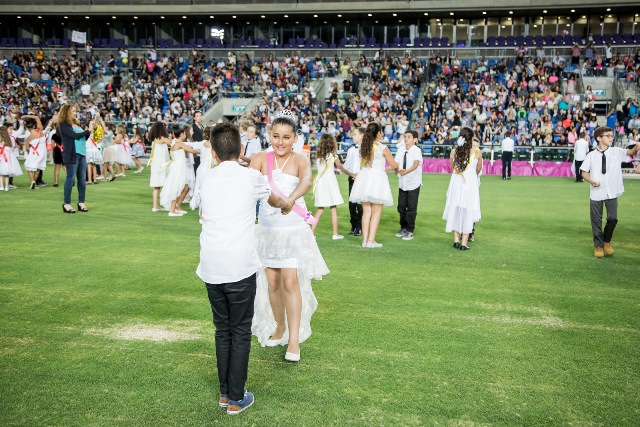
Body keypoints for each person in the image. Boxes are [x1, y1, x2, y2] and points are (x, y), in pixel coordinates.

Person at [196, 122, 286, 416]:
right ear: (241, 149)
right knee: (240, 331)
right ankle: (236, 397)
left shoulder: (206, 178)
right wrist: (287, 204)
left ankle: (226, 393)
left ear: (213, 151)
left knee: (222, 330)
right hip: (239, 265)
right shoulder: (252, 178)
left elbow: (202, 212)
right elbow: (275, 200)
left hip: (211, 263)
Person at [249, 110, 329, 362]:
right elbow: (249, 187)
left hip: (292, 229)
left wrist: (291, 199)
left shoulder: (301, 160)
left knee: (290, 282)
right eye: (275, 136)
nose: (280, 142)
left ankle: (293, 340)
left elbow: (306, 180)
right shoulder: (260, 158)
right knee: (272, 283)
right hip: (268, 231)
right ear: (269, 135)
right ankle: (279, 326)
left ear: (295, 138)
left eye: (285, 137)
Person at [580, 127, 640, 258]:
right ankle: (598, 246)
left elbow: (631, 151)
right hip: (596, 192)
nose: (611, 138)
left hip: (612, 192)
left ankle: (606, 242)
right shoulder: (591, 155)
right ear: (599, 138)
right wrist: (592, 181)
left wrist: (637, 146)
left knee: (612, 218)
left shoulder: (616, 151)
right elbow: (584, 172)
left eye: (611, 135)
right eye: (608, 136)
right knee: (596, 221)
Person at [349, 122, 399, 248]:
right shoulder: (382, 148)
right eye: (381, 131)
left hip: (365, 177)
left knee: (366, 211)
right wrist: (391, 170)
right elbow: (394, 164)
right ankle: (371, 240)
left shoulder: (363, 146)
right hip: (377, 178)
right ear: (378, 133)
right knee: (376, 211)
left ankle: (365, 240)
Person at [442, 127, 482, 250]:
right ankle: (464, 242)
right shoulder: (477, 152)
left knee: (456, 208)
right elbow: (479, 169)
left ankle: (455, 240)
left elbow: (452, 167)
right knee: (468, 210)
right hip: (469, 182)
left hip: (457, 181)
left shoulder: (454, 151)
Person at [311, 134, 353, 239]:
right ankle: (335, 234)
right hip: (329, 183)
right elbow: (341, 168)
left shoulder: (319, 155)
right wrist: (352, 174)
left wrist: (333, 171)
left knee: (320, 209)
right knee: (333, 208)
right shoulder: (333, 155)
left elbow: (324, 168)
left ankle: (310, 233)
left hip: (320, 183)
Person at [58, 104, 93, 214]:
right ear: (67, 112)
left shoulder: (77, 124)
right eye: (73, 111)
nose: (75, 112)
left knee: (82, 179)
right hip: (72, 154)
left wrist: (88, 131)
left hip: (82, 153)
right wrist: (88, 130)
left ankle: (81, 202)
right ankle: (66, 203)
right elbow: (76, 136)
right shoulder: (64, 125)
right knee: (71, 178)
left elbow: (84, 138)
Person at [160, 125, 200, 216]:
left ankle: (176, 207)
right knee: (177, 187)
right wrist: (203, 150)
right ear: (182, 134)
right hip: (178, 167)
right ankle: (172, 210)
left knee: (186, 187)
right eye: (184, 133)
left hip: (178, 167)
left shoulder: (175, 142)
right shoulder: (179, 143)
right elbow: (191, 151)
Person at [394, 130, 423, 241]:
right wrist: (393, 169)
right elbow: (396, 163)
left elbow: (416, 164)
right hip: (402, 182)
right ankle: (403, 227)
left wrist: (407, 171)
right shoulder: (401, 149)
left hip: (413, 183)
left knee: (411, 207)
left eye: (409, 137)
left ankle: (410, 230)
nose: (406, 139)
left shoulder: (417, 150)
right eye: (405, 136)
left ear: (415, 140)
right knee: (401, 206)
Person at [343, 127, 363, 236]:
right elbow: (347, 166)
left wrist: (359, 176)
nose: (352, 136)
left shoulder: (366, 149)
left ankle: (360, 227)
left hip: (362, 179)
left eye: (355, 134)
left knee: (360, 204)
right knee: (351, 204)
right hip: (352, 178)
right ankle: (353, 226)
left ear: (362, 136)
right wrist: (341, 170)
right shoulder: (351, 150)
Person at [148, 122, 171, 212]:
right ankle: (166, 204)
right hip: (161, 165)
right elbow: (171, 143)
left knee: (156, 186)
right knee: (166, 184)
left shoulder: (155, 139)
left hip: (156, 165)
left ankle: (155, 206)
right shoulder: (162, 138)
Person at [22, 115, 46, 190]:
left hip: (34, 152)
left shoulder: (29, 137)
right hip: (42, 152)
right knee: (38, 168)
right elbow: (37, 117)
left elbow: (27, 147)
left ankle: (32, 181)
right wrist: (26, 116)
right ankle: (34, 183)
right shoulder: (40, 130)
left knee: (29, 167)